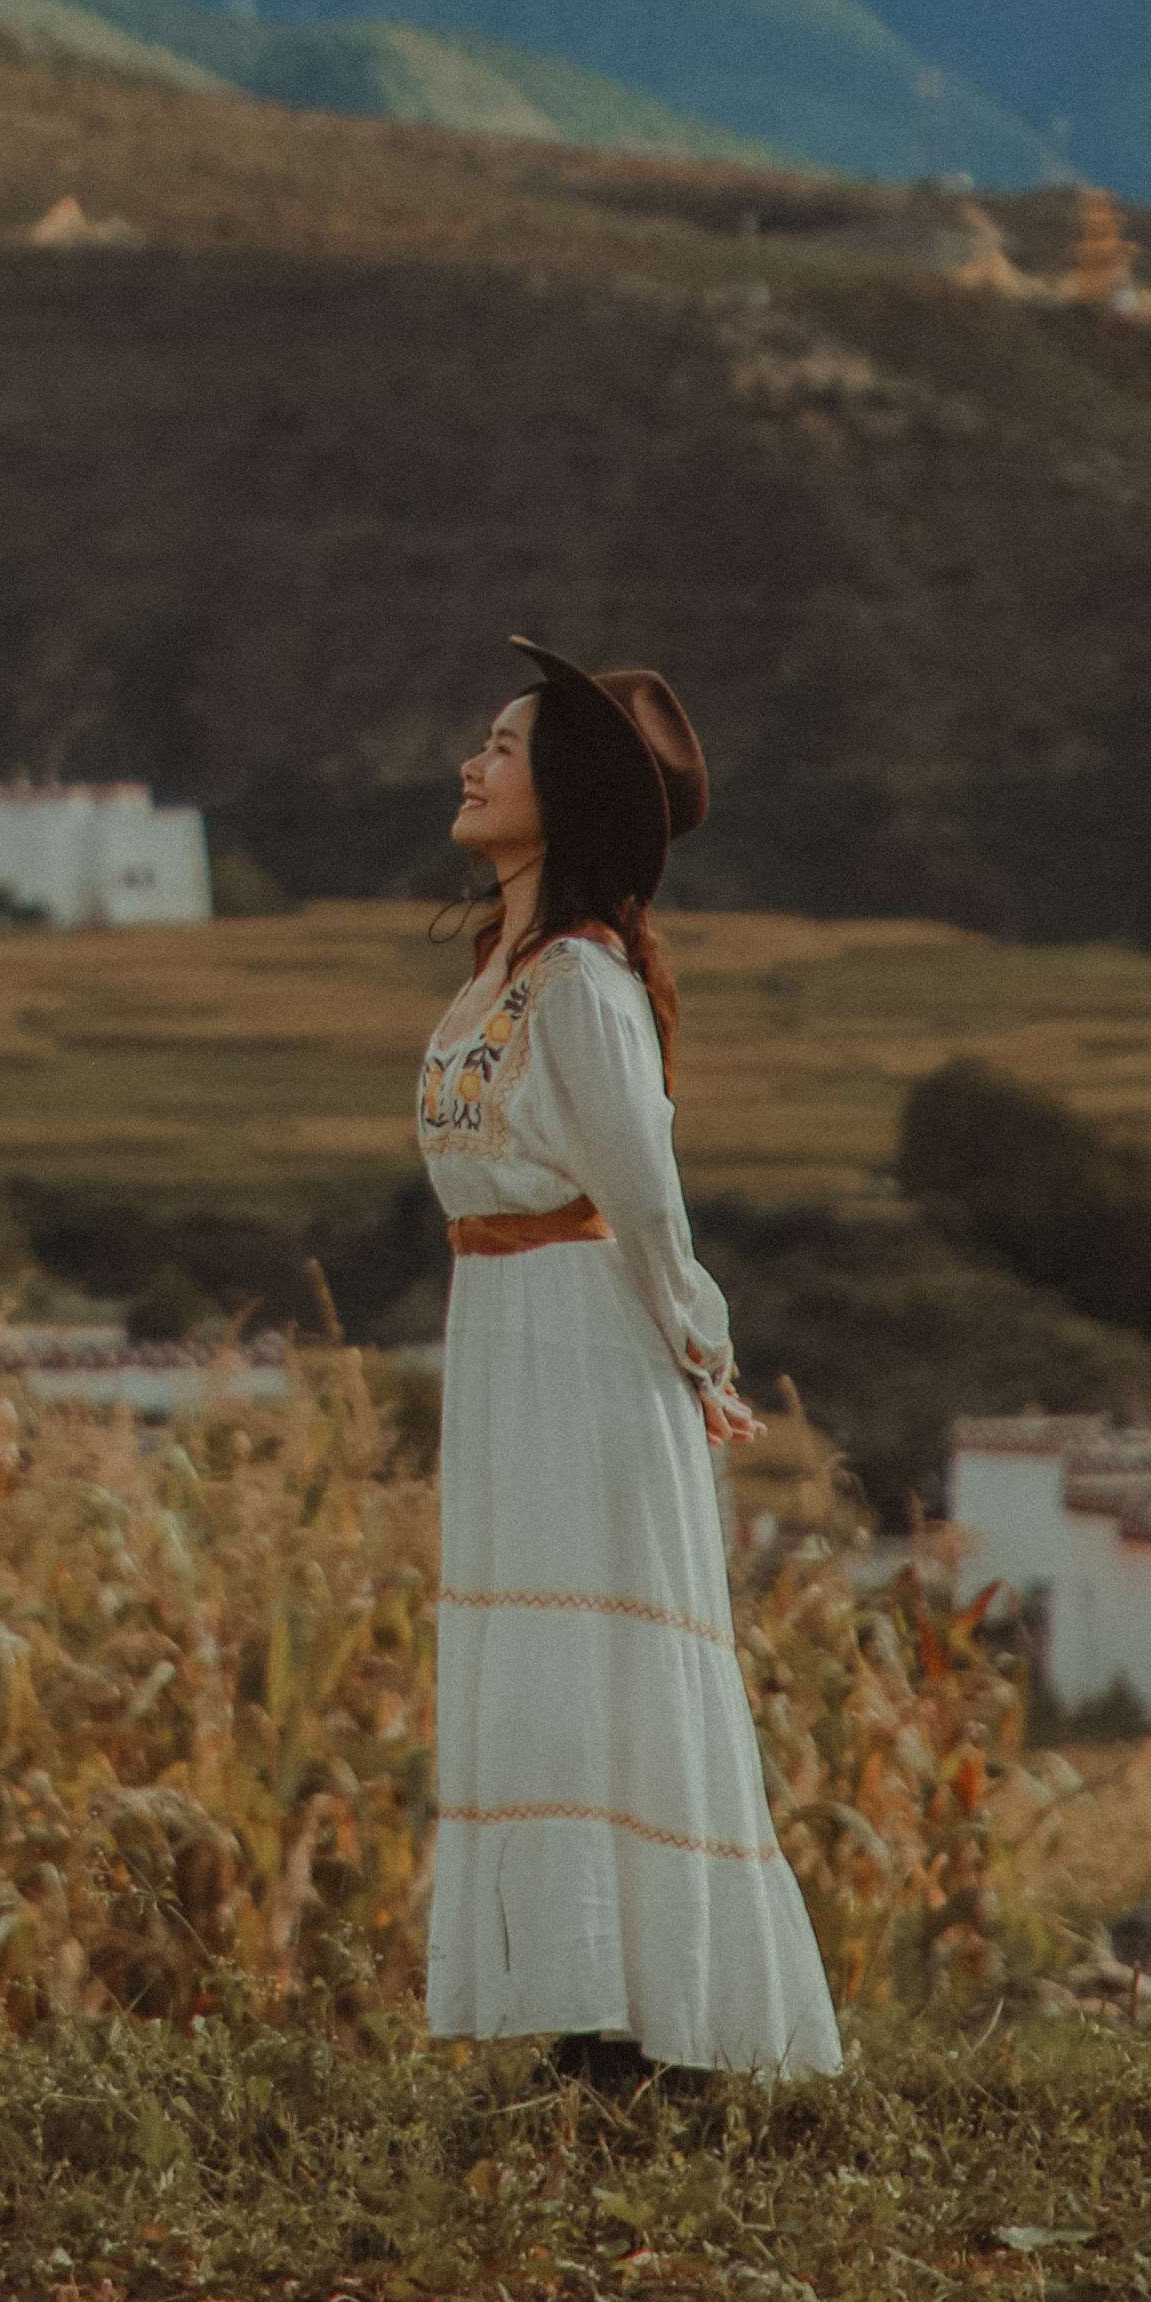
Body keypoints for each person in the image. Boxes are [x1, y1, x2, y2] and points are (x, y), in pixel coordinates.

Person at [417, 636, 840, 2083]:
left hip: (583, 1346)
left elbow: (648, 1203)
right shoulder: (509, 970)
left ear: (568, 796)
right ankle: (590, 2010)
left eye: (504, 747)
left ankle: (671, 2029)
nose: (471, 765)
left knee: (605, 1660)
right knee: (540, 1663)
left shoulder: (583, 986)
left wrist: (698, 1346)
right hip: (509, 1335)